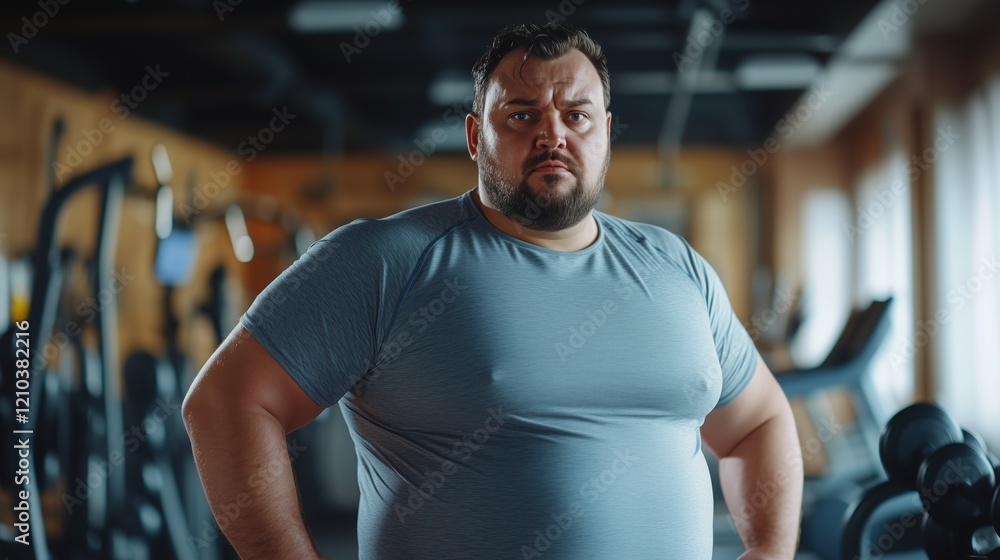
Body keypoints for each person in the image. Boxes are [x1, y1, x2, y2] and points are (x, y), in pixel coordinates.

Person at [182, 22, 803, 560]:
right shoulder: (385, 259)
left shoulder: (676, 266)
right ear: (477, 136)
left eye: (576, 115)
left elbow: (758, 422)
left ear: (606, 133)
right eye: (522, 115)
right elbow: (224, 403)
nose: (553, 135)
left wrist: (770, 549)